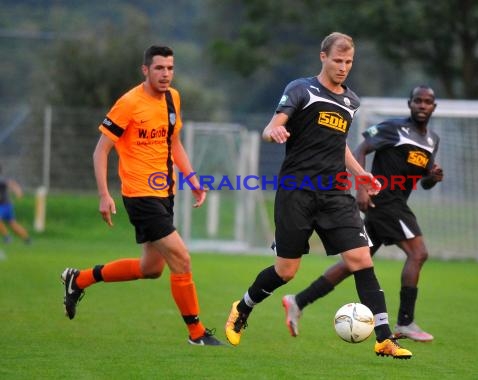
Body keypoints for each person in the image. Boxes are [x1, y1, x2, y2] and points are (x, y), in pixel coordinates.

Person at [224, 32, 412, 359]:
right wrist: (275, 131)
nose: (343, 67)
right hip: (296, 192)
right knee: (286, 271)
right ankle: (243, 306)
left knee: (361, 260)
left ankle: (383, 338)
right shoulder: (301, 90)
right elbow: (273, 126)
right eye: (337, 60)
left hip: (335, 193)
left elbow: (337, 144)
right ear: (322, 57)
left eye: (348, 62)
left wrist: (360, 173)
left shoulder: (351, 100)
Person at [60, 45, 222, 346]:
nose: (166, 74)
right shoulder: (129, 103)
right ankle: (197, 334)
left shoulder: (173, 98)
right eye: (159, 68)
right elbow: (101, 150)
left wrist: (193, 179)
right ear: (145, 70)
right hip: (140, 195)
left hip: (165, 192)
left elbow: (174, 143)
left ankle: (78, 279)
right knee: (182, 259)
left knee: (151, 269)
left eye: (170, 68)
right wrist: (103, 195)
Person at [282, 85, 443, 342]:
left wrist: (433, 178)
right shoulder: (394, 128)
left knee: (354, 263)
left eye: (428, 102)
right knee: (419, 252)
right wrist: (362, 189)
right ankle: (405, 322)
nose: (422, 106)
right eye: (418, 101)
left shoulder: (432, 140)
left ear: (434, 107)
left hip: (395, 204)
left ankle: (298, 301)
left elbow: (424, 182)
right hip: (384, 202)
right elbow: (359, 150)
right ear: (409, 103)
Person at [0, 164, 31, 244]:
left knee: (13, 224)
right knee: (13, 225)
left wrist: (18, 191)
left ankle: (7, 237)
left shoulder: (1, 180)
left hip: (4, 206)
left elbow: (11, 183)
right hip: (6, 206)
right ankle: (27, 239)